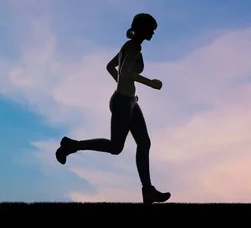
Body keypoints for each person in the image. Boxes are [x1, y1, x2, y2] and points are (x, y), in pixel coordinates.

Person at [55, 13, 171, 204]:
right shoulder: (133, 46)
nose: (153, 33)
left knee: (144, 143)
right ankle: (71, 145)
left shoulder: (130, 46)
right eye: (151, 29)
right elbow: (124, 71)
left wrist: (124, 87)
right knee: (116, 147)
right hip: (122, 104)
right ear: (142, 28)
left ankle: (148, 191)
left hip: (130, 101)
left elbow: (111, 67)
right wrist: (150, 83)